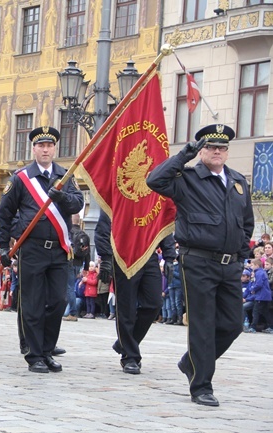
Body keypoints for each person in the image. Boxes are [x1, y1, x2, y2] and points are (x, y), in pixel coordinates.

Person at [147, 124, 254, 406]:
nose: (216, 152)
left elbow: (246, 222)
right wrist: (184, 155)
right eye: (210, 147)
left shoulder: (238, 181)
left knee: (232, 325)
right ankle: (201, 386)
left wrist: (241, 253)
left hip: (230, 264)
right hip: (198, 261)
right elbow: (154, 181)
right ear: (201, 150)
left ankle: (190, 362)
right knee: (203, 325)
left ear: (227, 152)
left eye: (221, 148)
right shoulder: (188, 178)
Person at [0, 126, 84, 373]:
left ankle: (47, 350)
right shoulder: (21, 178)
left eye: (49, 146)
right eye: (40, 146)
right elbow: (5, 214)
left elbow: (78, 202)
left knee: (58, 301)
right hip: (33, 249)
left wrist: (61, 198)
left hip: (59, 249)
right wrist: (5, 245)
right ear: (34, 149)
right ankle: (34, 354)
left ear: (54, 148)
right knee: (33, 303)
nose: (45, 150)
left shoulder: (65, 176)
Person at [95, 210, 177, 374]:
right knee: (126, 309)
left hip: (149, 255)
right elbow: (104, 228)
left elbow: (162, 226)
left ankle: (125, 342)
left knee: (154, 304)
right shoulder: (117, 194)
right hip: (123, 256)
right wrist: (105, 258)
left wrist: (169, 256)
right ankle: (130, 356)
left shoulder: (152, 196)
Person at [246, 258, 273, 333]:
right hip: (266, 296)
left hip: (261, 296)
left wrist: (252, 289)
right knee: (265, 312)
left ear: (257, 265)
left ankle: (253, 327)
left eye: (252, 265)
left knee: (256, 311)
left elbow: (258, 284)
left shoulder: (259, 273)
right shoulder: (262, 272)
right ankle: (271, 326)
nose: (251, 267)